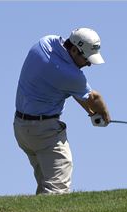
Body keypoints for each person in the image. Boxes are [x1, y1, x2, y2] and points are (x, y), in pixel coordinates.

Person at [13, 27, 111, 195]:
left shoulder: (44, 42)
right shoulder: (72, 76)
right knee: (57, 191)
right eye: (87, 59)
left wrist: (90, 113)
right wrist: (105, 115)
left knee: (45, 184)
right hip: (44, 133)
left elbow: (71, 90)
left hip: (22, 129)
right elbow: (94, 98)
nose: (88, 64)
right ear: (74, 50)